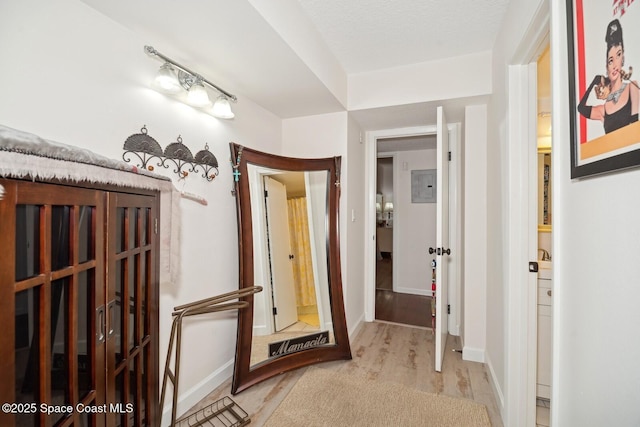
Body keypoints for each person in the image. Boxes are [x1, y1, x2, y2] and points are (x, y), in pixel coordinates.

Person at [577, 19, 639, 134]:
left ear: (623, 58)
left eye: (618, 55)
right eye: (611, 60)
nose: (615, 64)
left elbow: (635, 128)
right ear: (607, 67)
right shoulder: (603, 110)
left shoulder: (632, 87)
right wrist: (594, 82)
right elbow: (580, 108)